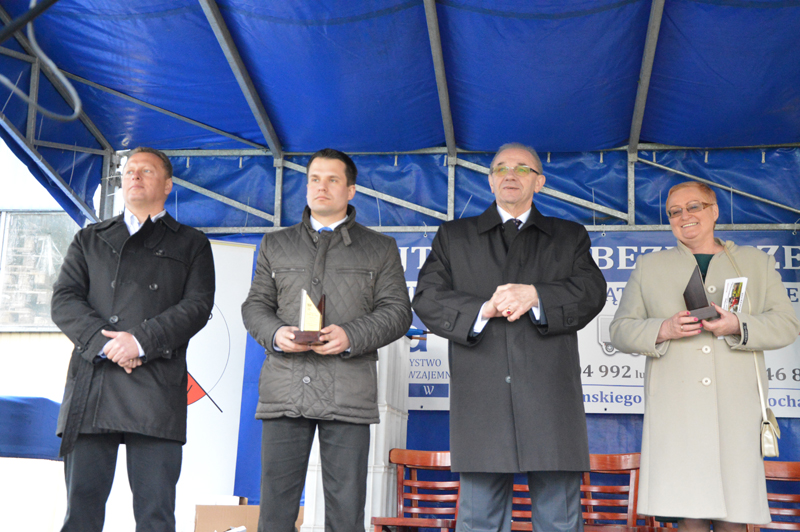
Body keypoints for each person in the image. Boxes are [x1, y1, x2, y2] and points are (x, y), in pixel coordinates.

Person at [413, 142, 607, 532]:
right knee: (479, 519)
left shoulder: (568, 236)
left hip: (551, 399)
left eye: (522, 168)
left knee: (559, 520)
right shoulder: (454, 236)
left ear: (540, 182)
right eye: (500, 168)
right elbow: (427, 297)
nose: (510, 175)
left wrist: (536, 296)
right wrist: (482, 309)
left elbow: (591, 292)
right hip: (482, 400)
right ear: (490, 181)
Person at [609, 181, 800, 532]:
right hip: (677, 414)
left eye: (693, 207)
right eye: (674, 211)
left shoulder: (755, 263)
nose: (684, 216)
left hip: (736, 412)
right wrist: (662, 329)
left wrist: (737, 324)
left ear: (714, 211)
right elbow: (619, 330)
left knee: (734, 520)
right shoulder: (650, 266)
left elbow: (788, 325)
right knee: (688, 519)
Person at [241, 148, 412, 532]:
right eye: (314, 179)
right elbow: (255, 306)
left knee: (345, 511)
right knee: (275, 510)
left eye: (333, 180)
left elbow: (398, 312)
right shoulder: (275, 244)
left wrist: (352, 335)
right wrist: (275, 334)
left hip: (348, 392)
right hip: (285, 390)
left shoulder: (380, 248)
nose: (322, 187)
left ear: (350, 190)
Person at [51, 146, 216, 532]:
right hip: (94, 383)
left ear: (168, 185)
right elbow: (64, 300)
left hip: (155, 386)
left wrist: (139, 341)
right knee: (81, 512)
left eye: (146, 171)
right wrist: (108, 344)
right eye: (128, 172)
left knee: (156, 513)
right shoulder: (89, 238)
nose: (135, 177)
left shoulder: (192, 243)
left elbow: (197, 306)